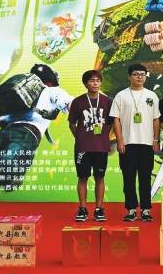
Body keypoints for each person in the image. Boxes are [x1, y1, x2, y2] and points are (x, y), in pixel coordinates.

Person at [0, 63, 73, 194]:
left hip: (0, 135)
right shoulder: (52, 91)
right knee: (10, 176)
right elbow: (68, 103)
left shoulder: (15, 98)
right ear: (50, 82)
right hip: (26, 135)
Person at [111, 63, 160, 222]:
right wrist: (120, 141)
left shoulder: (152, 96)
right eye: (136, 74)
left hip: (147, 144)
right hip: (127, 144)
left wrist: (156, 140)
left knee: (145, 178)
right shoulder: (121, 96)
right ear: (129, 76)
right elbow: (116, 119)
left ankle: (146, 209)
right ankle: (131, 209)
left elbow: (156, 119)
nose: (139, 77)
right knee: (129, 178)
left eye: (142, 74)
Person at [68, 69, 113, 222]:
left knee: (100, 177)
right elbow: (72, 123)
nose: (95, 84)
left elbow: (109, 124)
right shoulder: (78, 101)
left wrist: (102, 136)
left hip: (101, 146)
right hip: (83, 147)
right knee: (83, 177)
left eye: (98, 81)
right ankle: (82, 209)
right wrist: (80, 136)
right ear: (85, 83)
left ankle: (99, 209)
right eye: (92, 81)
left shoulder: (107, 101)